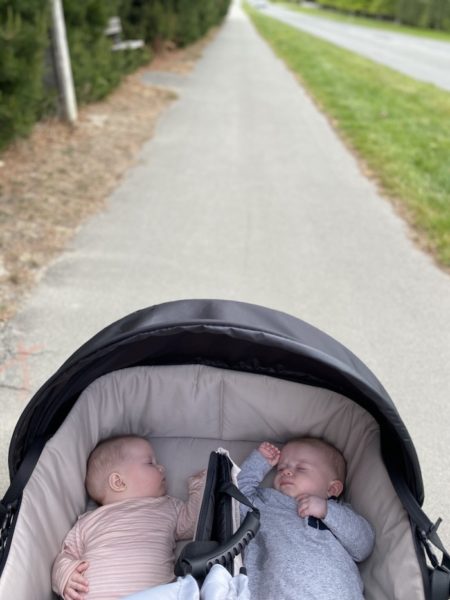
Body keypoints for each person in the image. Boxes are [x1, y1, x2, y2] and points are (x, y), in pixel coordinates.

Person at [52, 435, 205, 600]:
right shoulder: (88, 521)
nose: (162, 468)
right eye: (150, 463)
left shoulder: (167, 507)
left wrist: (201, 486)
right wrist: (66, 575)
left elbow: (193, 523)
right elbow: (65, 555)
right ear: (118, 482)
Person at [237, 437, 375, 600]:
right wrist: (260, 462)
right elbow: (236, 497)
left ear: (332, 488)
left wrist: (326, 511)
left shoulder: (338, 512)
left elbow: (363, 546)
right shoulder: (265, 502)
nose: (287, 471)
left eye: (301, 468)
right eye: (281, 469)